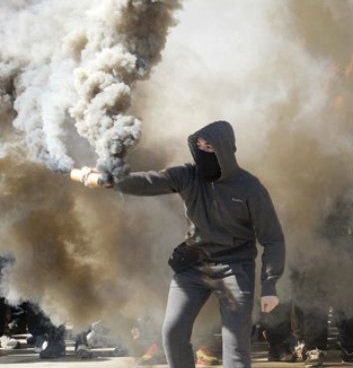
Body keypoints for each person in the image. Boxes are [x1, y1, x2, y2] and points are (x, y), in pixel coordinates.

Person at [75, 120, 286, 368]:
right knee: (173, 332)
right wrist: (110, 180)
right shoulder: (187, 175)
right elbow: (149, 181)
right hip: (194, 265)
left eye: (210, 147)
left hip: (236, 269)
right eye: (200, 146)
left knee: (236, 345)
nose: (204, 152)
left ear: (225, 149)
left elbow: (272, 238)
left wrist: (270, 284)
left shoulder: (250, 187)